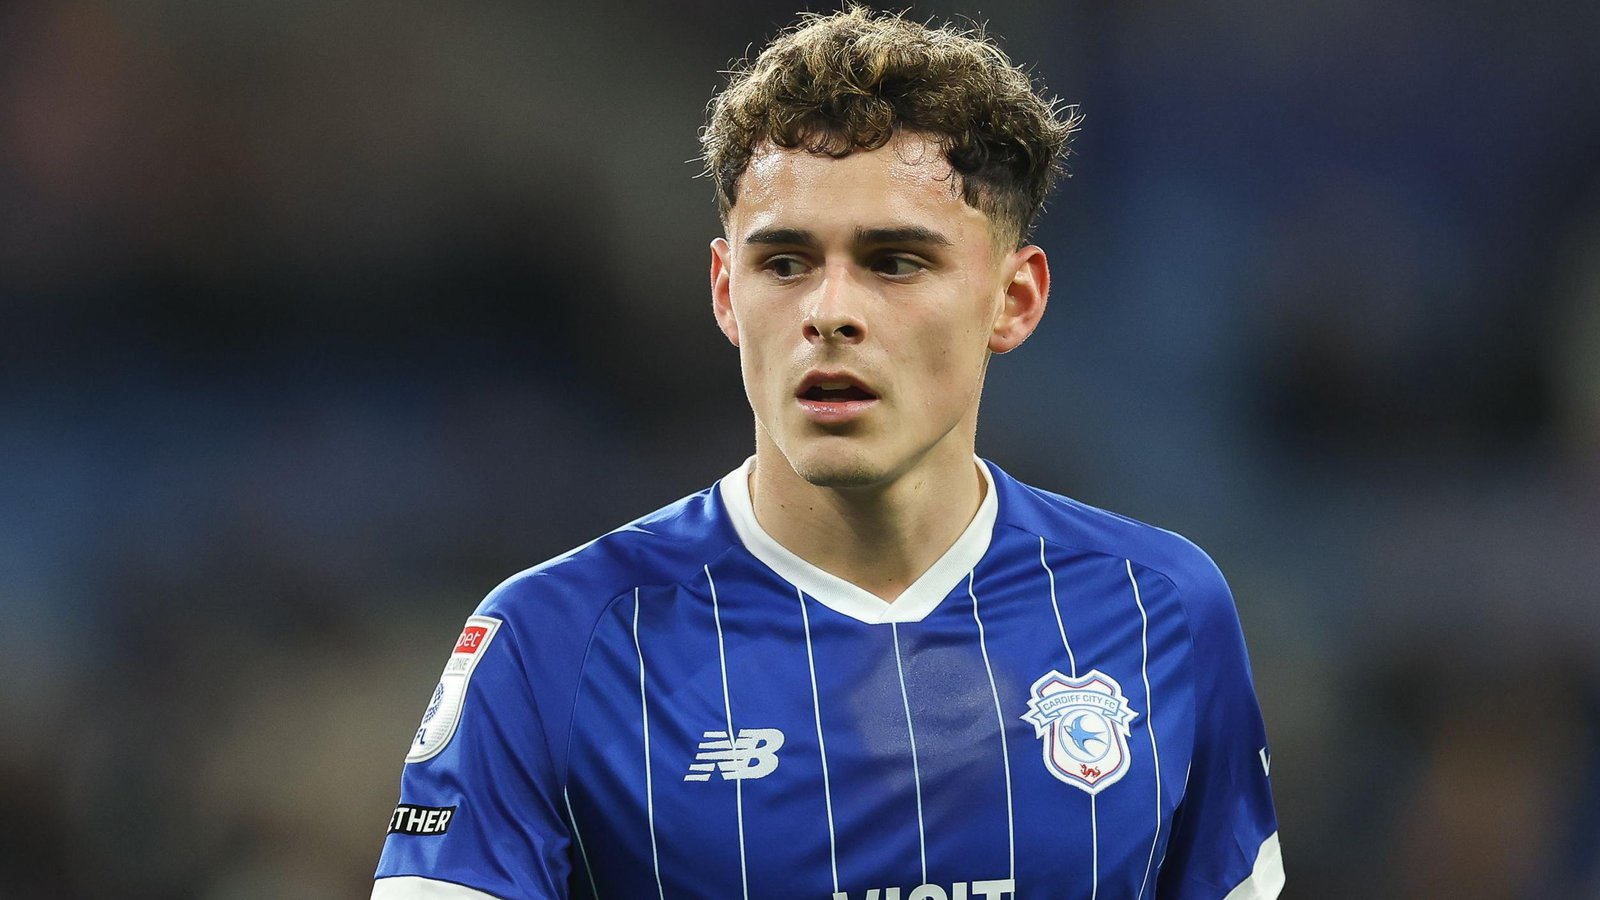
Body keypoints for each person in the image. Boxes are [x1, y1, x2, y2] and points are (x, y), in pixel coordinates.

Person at [372, 7, 1282, 899]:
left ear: (1014, 300)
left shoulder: (1162, 608)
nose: (830, 312)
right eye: (784, 263)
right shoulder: (555, 640)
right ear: (725, 293)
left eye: (895, 262)